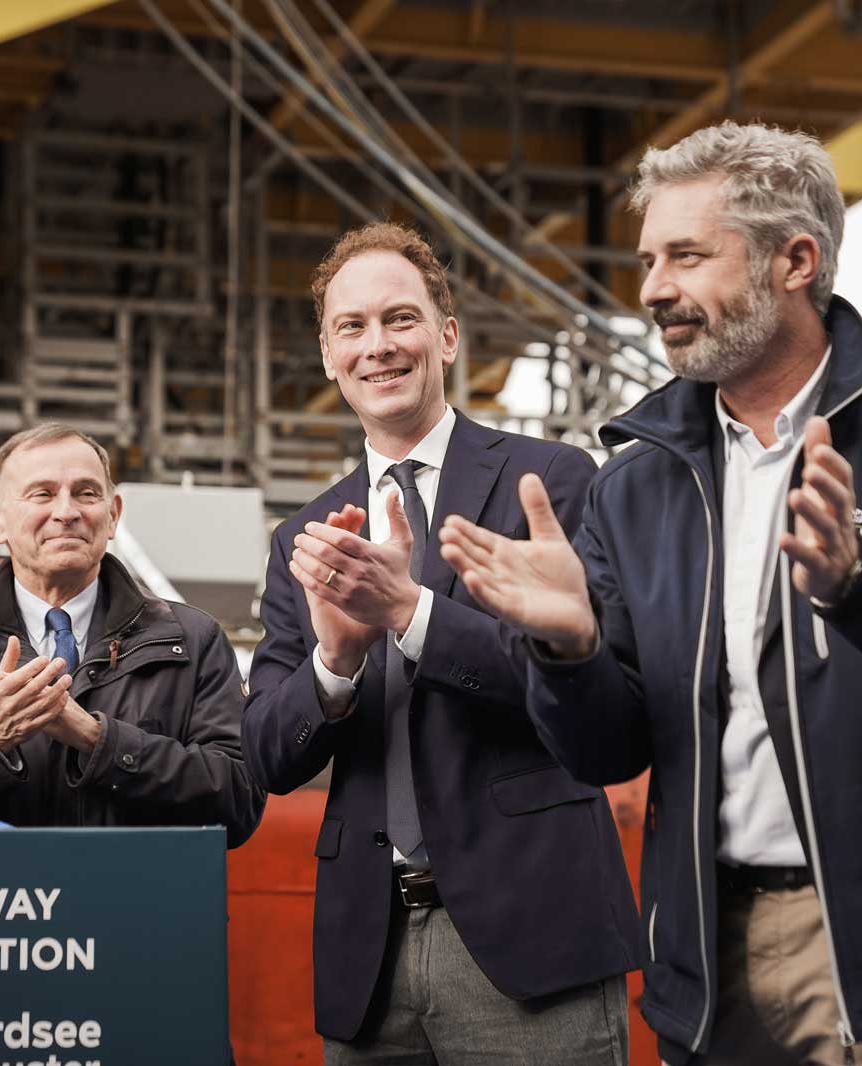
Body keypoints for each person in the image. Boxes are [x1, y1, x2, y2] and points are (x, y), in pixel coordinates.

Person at [439, 121, 862, 1066]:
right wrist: (569, 651)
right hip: (708, 964)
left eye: (688, 256)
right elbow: (605, 753)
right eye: (649, 260)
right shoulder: (634, 485)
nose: (653, 289)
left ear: (796, 261)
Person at [244, 221, 639, 1064]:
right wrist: (334, 664)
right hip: (368, 954)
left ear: (448, 336)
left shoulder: (550, 482)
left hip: (530, 937)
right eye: (352, 327)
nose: (378, 346)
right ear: (328, 356)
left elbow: (593, 692)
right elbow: (268, 756)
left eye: (401, 319)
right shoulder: (303, 537)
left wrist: (411, 612)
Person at [0, 424, 264, 847]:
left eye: (86, 493)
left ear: (113, 515)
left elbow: (237, 802)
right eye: (42, 494)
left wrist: (99, 740)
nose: (67, 512)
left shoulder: (194, 641)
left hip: (136, 892)